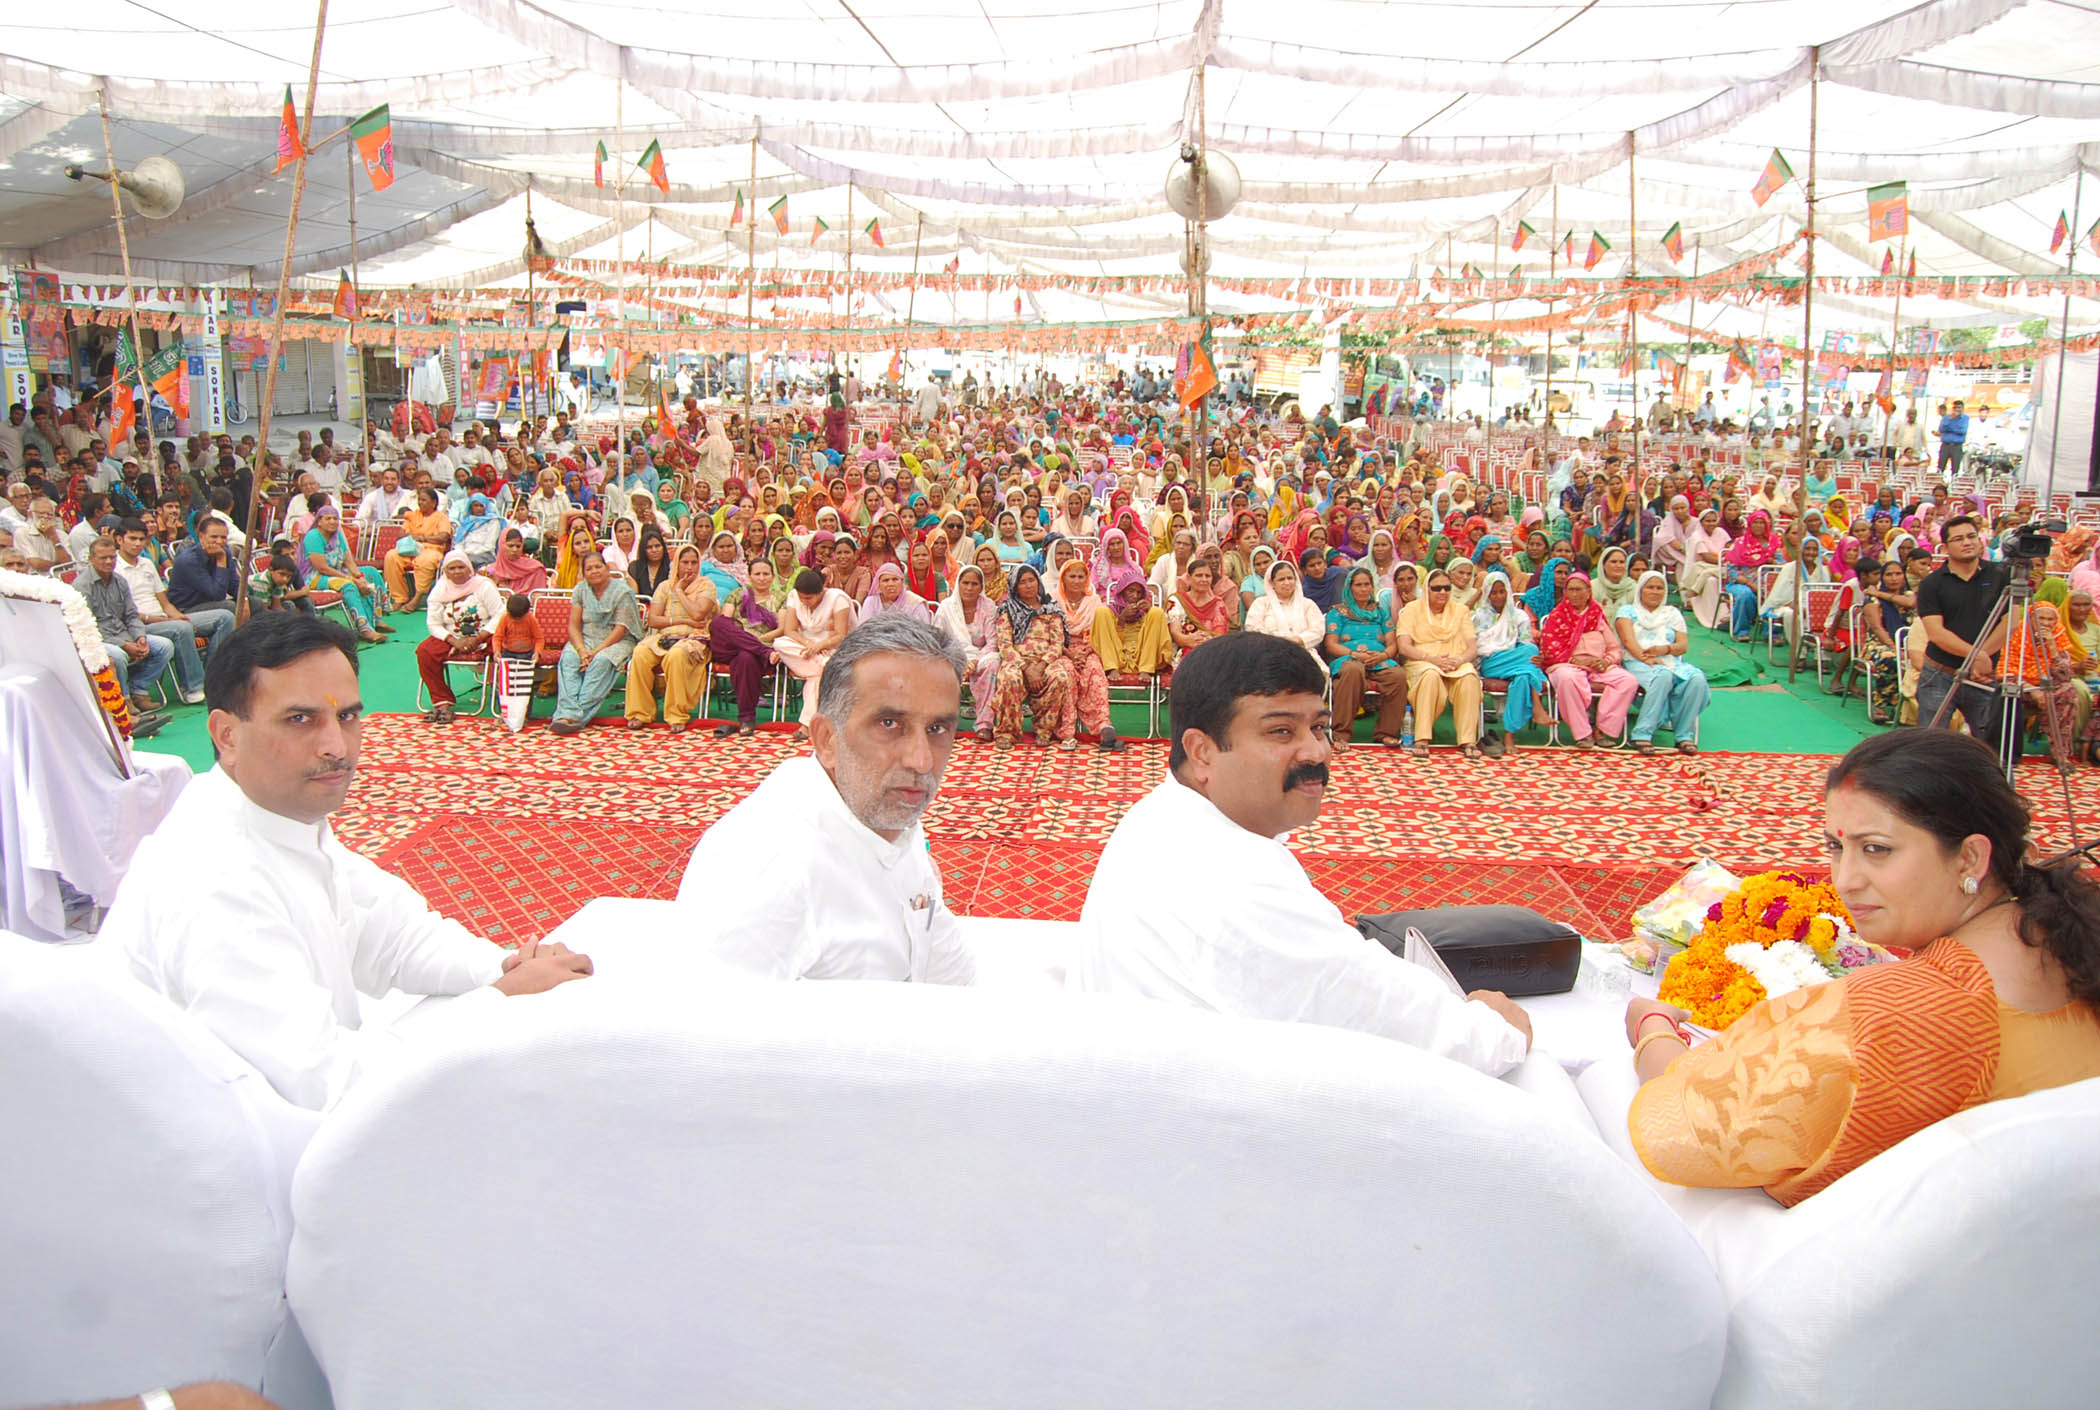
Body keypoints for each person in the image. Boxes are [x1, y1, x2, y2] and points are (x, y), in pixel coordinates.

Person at [110, 614, 591, 1110]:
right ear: (227, 735)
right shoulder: (212, 877)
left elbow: (395, 937)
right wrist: (501, 1001)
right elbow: (325, 1086)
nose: (337, 748)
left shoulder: (279, 819)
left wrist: (502, 966)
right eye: (301, 720)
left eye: (346, 716)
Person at [1622, 730, 2100, 1205]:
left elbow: (1686, 1125)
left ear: (1971, 857)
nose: (1846, 880)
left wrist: (1652, 1027)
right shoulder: (2062, 939)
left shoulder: (1910, 1008)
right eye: (1836, 847)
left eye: (1877, 849)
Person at [1069, 631, 1531, 1075]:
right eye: (1281, 731)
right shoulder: (1239, 879)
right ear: (1202, 752)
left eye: (1319, 726)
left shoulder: (1158, 814)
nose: (1315, 752)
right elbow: (1419, 1031)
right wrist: (1496, 1026)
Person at [674, 615, 975, 984]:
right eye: (889, 725)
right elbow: (707, 1028)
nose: (922, 760)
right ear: (827, 740)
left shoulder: (882, 804)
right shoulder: (774, 871)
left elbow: (946, 965)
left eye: (937, 729)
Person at [1914, 514, 2009, 741]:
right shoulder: (1932, 583)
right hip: (1940, 674)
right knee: (1932, 746)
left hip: (1983, 676)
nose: (1967, 542)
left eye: (1971, 536)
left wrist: (1979, 661)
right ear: (1945, 547)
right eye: (1958, 539)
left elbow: (2010, 622)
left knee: (1991, 747)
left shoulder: (2001, 576)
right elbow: (1936, 633)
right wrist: (1976, 656)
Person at [81, 535, 175, 723]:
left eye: (112, 557)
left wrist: (139, 636)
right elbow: (89, 626)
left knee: (165, 646)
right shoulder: (82, 586)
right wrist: (124, 644)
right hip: (98, 639)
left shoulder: (120, 581)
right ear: (91, 559)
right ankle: (124, 699)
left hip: (125, 633)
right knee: (117, 655)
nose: (109, 562)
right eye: (103, 558)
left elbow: (131, 614)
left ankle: (139, 689)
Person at [624, 543, 717, 732]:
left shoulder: (706, 585)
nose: (689, 567)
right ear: (677, 564)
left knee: (676, 655)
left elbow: (699, 614)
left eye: (693, 562)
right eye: (684, 562)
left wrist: (681, 592)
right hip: (665, 636)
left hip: (694, 638)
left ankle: (676, 715)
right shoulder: (665, 586)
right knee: (640, 653)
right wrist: (683, 620)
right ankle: (640, 713)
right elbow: (653, 620)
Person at [1614, 571, 1709, 755]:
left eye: (1660, 588)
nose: (1655, 592)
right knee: (1662, 675)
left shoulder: (1671, 613)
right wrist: (1647, 658)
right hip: (1636, 661)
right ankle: (1642, 733)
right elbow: (1628, 642)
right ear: (1640, 589)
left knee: (1697, 679)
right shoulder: (1627, 611)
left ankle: (1684, 735)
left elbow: (1682, 645)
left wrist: (1664, 650)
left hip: (1668, 659)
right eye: (1650, 587)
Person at [1395, 566, 1485, 759]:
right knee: (1430, 675)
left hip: (1455, 661)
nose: (1442, 592)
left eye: (1446, 588)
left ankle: (1468, 739)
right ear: (1426, 589)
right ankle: (1422, 738)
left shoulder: (1461, 611)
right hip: (1422, 660)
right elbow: (1404, 646)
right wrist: (1431, 659)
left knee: (1469, 676)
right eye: (1436, 588)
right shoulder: (1411, 609)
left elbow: (1472, 647)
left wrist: (1459, 660)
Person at [550, 551, 643, 735]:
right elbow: (574, 626)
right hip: (585, 639)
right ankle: (570, 715)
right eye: (589, 568)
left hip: (617, 640)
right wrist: (582, 650)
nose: (594, 571)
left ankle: (572, 716)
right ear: (583, 573)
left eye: (598, 566)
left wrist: (595, 652)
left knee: (601, 661)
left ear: (607, 568)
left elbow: (621, 628)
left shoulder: (622, 591)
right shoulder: (580, 590)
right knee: (569, 658)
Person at [1539, 572, 1636, 747]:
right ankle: (1583, 733)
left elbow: (1614, 648)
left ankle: (1602, 729)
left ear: (1588, 592)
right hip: (1567, 665)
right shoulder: (1557, 616)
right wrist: (1576, 660)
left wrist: (1606, 661)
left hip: (1598, 666)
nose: (1574, 594)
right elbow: (1549, 650)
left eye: (1578, 590)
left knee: (1628, 681)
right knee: (1567, 679)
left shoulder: (1596, 614)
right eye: (1570, 590)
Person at [1322, 563, 1409, 749]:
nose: (1363, 589)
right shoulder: (1338, 612)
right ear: (1349, 587)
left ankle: (1386, 733)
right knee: (1353, 670)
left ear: (1372, 587)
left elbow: (1393, 643)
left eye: (1367, 584)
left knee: (1399, 676)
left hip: (1379, 660)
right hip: (1349, 659)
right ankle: (1341, 734)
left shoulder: (1380, 612)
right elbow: (1331, 645)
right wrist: (1355, 654)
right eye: (1358, 585)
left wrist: (1383, 655)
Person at [989, 563, 1075, 748]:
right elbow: (1005, 645)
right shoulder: (1007, 610)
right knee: (1010, 678)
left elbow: (1057, 643)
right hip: (1018, 661)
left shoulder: (1051, 608)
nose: (1028, 585)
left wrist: (1041, 665)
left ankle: (1044, 730)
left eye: (1032, 580)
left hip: (1045, 661)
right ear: (1014, 586)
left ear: (1038, 581)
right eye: (1022, 582)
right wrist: (1026, 668)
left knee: (1059, 676)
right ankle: (1007, 732)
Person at [414, 551, 503, 725]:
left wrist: (478, 638)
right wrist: (454, 641)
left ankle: (505, 697)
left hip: (485, 634)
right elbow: (433, 624)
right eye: (452, 568)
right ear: (445, 571)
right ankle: (442, 702)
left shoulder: (483, 585)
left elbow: (500, 614)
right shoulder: (439, 590)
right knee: (425, 651)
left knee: (505, 648)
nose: (457, 572)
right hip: (453, 637)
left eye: (461, 567)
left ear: (469, 568)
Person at [775, 566, 858, 735]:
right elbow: (789, 631)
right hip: (807, 649)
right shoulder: (794, 596)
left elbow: (841, 636)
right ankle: (823, 666)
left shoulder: (837, 598)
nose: (804, 601)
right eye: (802, 598)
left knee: (816, 677)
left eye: (809, 598)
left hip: (835, 649)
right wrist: (808, 644)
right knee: (780, 643)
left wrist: (819, 647)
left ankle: (807, 725)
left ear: (821, 592)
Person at [1473, 570, 1549, 751]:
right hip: (1491, 663)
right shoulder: (1479, 617)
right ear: (1487, 594)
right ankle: (1537, 706)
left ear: (1508, 591)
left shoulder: (1519, 616)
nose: (1498, 596)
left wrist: (1514, 653)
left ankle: (1509, 734)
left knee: (1523, 676)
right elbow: (1480, 648)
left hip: (1516, 663)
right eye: (1493, 592)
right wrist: (1504, 651)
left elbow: (1524, 643)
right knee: (1530, 653)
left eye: (1502, 592)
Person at [936, 562, 1001, 737]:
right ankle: (942, 724)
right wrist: (959, 659)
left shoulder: (989, 606)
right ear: (958, 583)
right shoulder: (946, 608)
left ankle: (984, 724)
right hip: (952, 655)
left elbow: (993, 642)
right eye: (965, 583)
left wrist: (974, 662)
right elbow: (939, 640)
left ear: (981, 586)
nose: (969, 588)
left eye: (974, 584)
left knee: (993, 664)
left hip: (982, 657)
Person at [1936, 399, 1969, 473]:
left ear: (1963, 408)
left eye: (1959, 407)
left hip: (1957, 446)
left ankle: (1954, 483)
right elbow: (1941, 429)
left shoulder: (1965, 418)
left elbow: (1962, 431)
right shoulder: (1947, 417)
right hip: (1945, 445)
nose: (1957, 409)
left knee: (1955, 469)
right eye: (1955, 407)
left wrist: (1950, 428)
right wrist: (1952, 420)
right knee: (1940, 468)